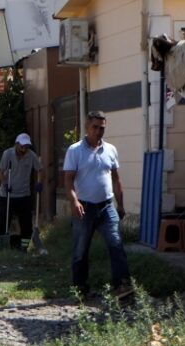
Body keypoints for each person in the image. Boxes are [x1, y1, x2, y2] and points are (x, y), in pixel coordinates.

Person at [63, 110, 133, 300]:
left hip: (106, 207)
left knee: (116, 244)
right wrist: (74, 201)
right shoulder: (75, 150)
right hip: (84, 208)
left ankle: (122, 287)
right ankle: (80, 290)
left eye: (102, 128)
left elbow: (116, 179)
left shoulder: (110, 150)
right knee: (80, 250)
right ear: (87, 126)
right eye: (95, 127)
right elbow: (68, 181)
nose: (98, 132)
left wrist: (120, 204)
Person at [0, 133, 44, 252]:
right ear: (17, 144)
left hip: (24, 193)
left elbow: (40, 170)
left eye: (26, 147)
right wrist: (5, 184)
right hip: (7, 194)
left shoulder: (31, 156)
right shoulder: (7, 154)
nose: (24, 149)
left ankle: (23, 247)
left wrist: (39, 183)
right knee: (2, 221)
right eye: (22, 146)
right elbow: (0, 172)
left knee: (26, 223)